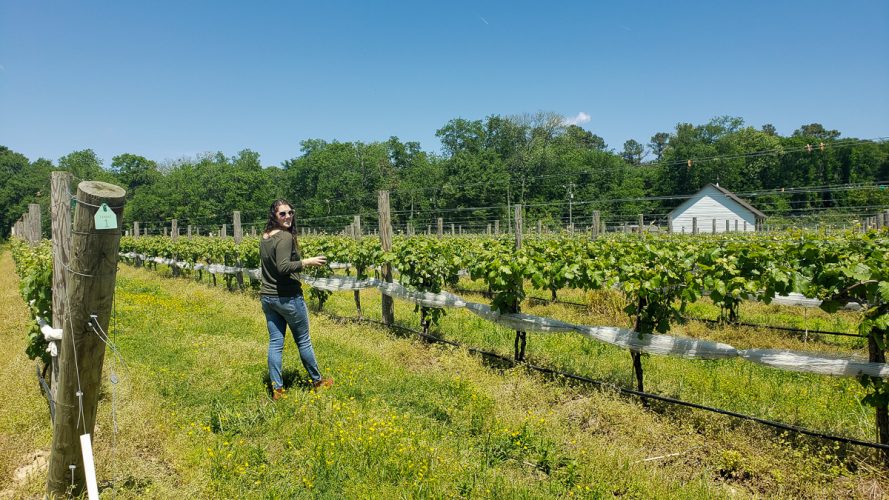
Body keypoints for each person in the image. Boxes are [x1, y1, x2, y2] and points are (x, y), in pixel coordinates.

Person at [260, 199, 333, 399]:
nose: (288, 216)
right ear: (274, 216)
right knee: (303, 341)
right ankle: (317, 381)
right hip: (287, 298)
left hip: (268, 298)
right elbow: (283, 267)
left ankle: (277, 389)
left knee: (275, 343)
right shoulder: (284, 237)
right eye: (282, 214)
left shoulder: (266, 236)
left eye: (290, 212)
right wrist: (307, 261)